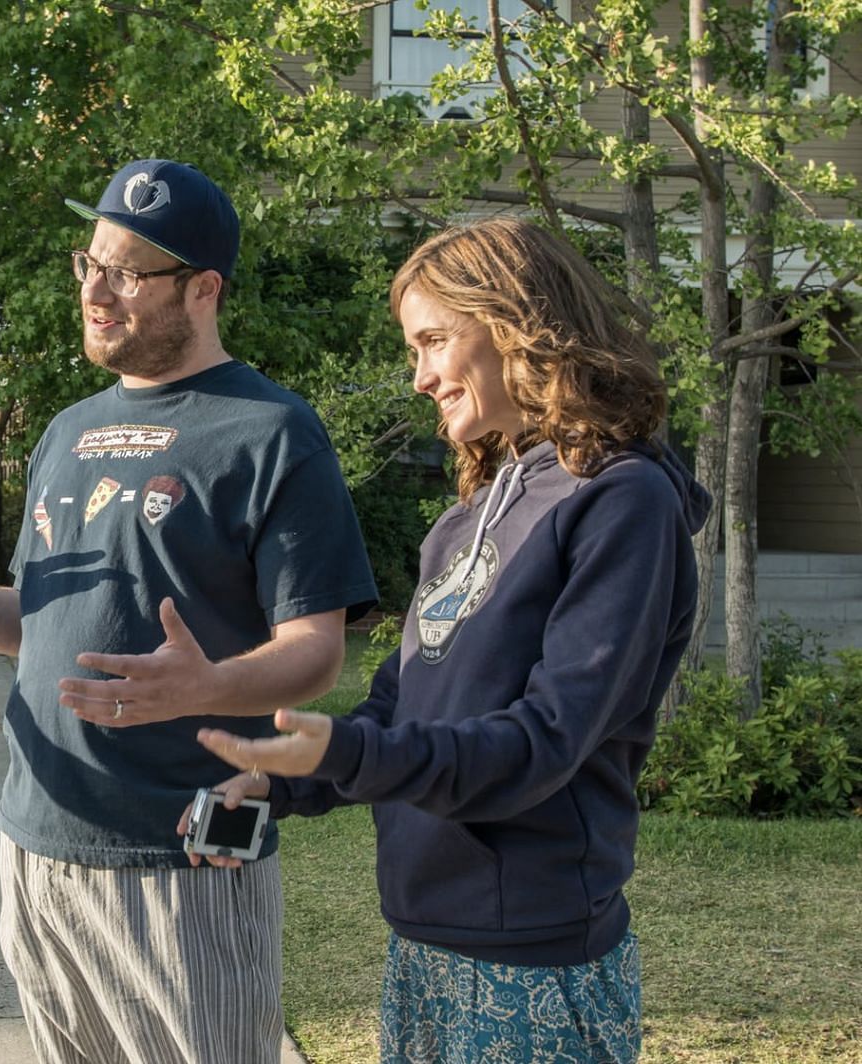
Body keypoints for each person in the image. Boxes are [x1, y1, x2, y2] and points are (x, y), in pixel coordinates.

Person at [0, 158, 378, 1063]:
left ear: (203, 289)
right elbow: (40, 625)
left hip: (184, 855)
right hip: (38, 841)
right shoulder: (67, 431)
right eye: (91, 264)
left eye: (130, 274)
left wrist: (211, 684)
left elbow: (315, 652)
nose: (97, 292)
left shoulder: (272, 433)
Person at [192, 217, 711, 1064]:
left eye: (434, 340)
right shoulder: (465, 518)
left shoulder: (622, 503)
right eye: (414, 349)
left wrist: (348, 753)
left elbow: (543, 743)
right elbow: (401, 705)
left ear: (517, 323)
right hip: (423, 938)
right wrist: (282, 782)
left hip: (534, 957)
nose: (422, 376)